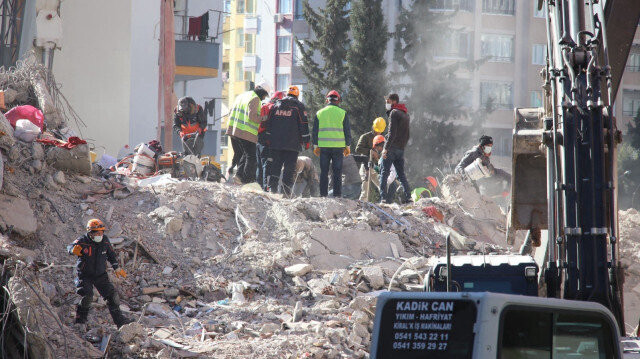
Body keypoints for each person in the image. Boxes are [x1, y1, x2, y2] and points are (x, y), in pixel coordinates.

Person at [68, 219, 131, 328]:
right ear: (90, 233)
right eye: (97, 233)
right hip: (85, 275)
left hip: (100, 275)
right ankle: (80, 322)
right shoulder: (82, 240)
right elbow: (70, 247)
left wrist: (116, 267)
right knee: (87, 296)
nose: (99, 235)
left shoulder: (105, 240)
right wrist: (72, 250)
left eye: (101, 232)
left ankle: (120, 322)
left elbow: (111, 255)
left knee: (112, 296)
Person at [264, 86, 310, 195]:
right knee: (289, 169)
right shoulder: (298, 106)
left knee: (275, 166)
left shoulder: (276, 105)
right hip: (292, 144)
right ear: (297, 95)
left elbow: (269, 124)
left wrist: (268, 138)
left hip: (276, 143)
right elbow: (303, 125)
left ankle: (272, 190)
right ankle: (285, 192)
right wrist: (306, 141)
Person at [312, 90, 352, 197]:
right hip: (338, 148)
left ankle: (323, 194)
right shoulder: (343, 113)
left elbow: (315, 132)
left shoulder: (319, 113)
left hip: (323, 147)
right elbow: (347, 131)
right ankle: (337, 194)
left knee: (324, 172)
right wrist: (347, 146)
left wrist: (315, 146)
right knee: (337, 172)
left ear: (327, 100)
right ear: (338, 100)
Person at [226, 85, 269, 184]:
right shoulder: (255, 98)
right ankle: (245, 179)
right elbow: (252, 116)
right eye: (264, 96)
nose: (263, 99)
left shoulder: (243, 96)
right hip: (245, 131)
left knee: (243, 154)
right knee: (251, 155)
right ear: (262, 93)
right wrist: (263, 118)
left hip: (233, 129)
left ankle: (238, 176)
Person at [380, 93, 411, 204]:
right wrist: (402, 147)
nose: (386, 104)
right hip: (400, 149)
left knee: (384, 172)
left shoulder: (394, 113)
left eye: (388, 102)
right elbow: (407, 135)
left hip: (391, 148)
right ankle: (409, 197)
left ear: (394, 102)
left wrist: (385, 148)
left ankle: (382, 198)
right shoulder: (406, 114)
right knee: (401, 174)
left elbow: (391, 133)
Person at [257, 91, 285, 190]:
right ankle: (266, 187)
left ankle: (259, 185)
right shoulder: (274, 108)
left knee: (259, 163)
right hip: (268, 137)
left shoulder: (264, 106)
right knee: (267, 163)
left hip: (258, 137)